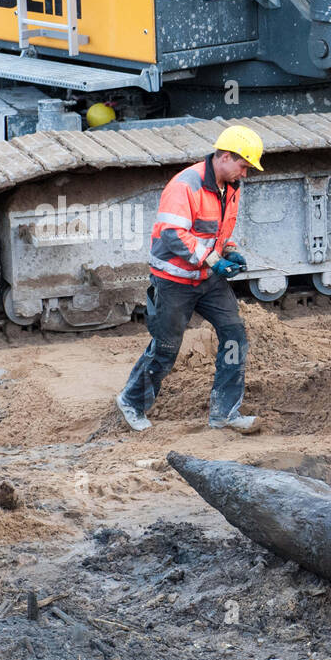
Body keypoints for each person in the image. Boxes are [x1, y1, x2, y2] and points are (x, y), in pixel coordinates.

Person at [115, 125, 265, 433]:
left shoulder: (230, 186)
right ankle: (132, 400)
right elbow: (173, 235)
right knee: (166, 347)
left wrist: (230, 250)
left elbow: (216, 231)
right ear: (225, 157)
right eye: (243, 166)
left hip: (207, 279)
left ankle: (226, 412)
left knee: (234, 335)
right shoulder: (186, 185)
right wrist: (215, 261)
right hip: (175, 281)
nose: (245, 174)